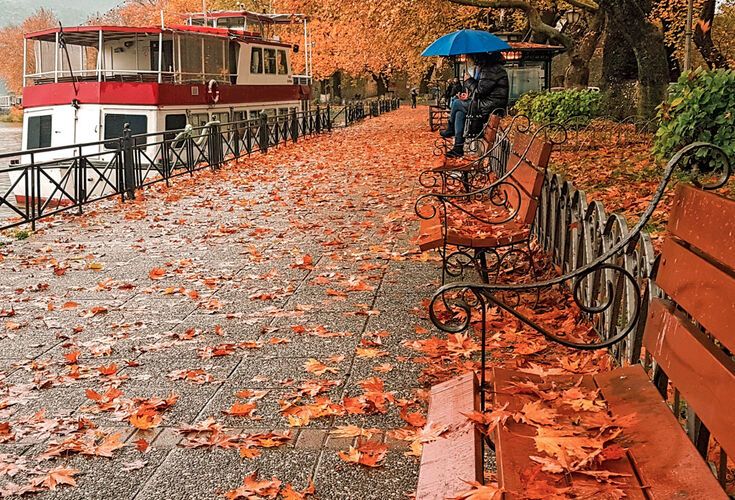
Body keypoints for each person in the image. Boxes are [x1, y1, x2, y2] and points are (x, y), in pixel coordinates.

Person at [440, 52, 509, 158]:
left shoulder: (491, 70)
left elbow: (480, 91)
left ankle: (450, 129)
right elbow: (482, 91)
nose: (471, 60)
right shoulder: (490, 69)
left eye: (472, 58)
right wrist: (468, 96)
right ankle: (458, 148)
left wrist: (468, 81)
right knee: (459, 113)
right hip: (486, 104)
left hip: (489, 107)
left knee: (457, 103)